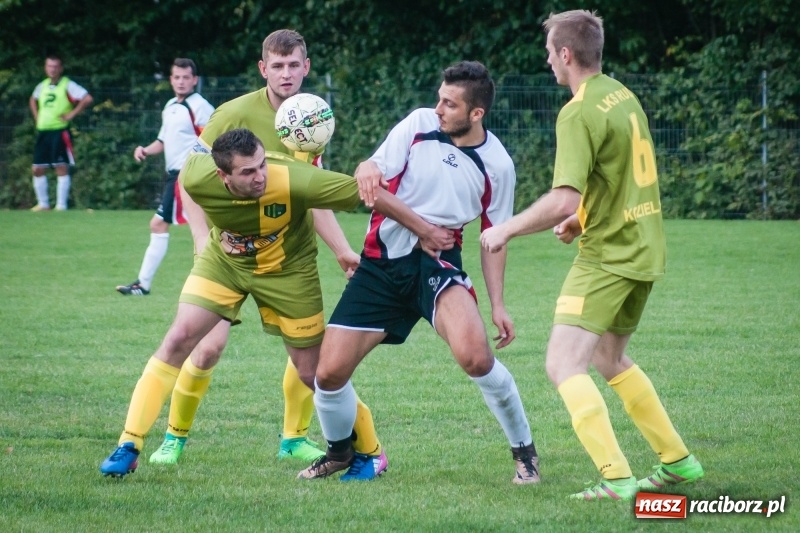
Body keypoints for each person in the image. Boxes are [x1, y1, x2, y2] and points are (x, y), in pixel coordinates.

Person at [99, 128, 452, 479]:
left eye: (261, 166)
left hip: (289, 273)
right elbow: (185, 185)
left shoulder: (295, 179)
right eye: (247, 172)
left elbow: (370, 194)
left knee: (314, 373)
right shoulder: (196, 174)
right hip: (225, 263)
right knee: (178, 339)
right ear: (222, 175)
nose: (260, 177)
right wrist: (198, 239)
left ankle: (371, 451)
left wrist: (423, 229)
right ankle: (129, 444)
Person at [480, 10, 704, 500]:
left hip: (608, 257)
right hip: (643, 246)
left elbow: (562, 195)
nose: (548, 62)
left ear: (565, 54)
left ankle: (618, 479)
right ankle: (679, 463)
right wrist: (582, 217)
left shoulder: (577, 110)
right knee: (610, 357)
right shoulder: (621, 95)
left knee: (563, 365)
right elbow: (620, 172)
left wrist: (506, 229)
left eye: (549, 54)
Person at [142, 30, 386, 475]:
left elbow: (306, 192)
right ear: (263, 69)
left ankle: (294, 439)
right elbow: (191, 179)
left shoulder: (310, 117)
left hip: (289, 260)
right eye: (278, 66)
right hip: (229, 256)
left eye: (295, 65)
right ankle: (173, 438)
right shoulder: (233, 114)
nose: (287, 73)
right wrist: (200, 240)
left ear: (307, 67)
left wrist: (342, 250)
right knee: (206, 346)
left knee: (306, 357)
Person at [298, 61, 541, 485]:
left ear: (476, 113)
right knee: (328, 374)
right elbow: (371, 186)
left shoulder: (498, 166)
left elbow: (494, 237)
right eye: (439, 99)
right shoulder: (417, 124)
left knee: (477, 357)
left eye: (450, 103)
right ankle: (339, 453)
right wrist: (371, 171)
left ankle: (525, 454)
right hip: (382, 263)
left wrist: (499, 304)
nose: (439, 109)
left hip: (439, 264)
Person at [116, 58, 215, 296]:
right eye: (177, 77)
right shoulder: (170, 105)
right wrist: (145, 150)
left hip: (188, 176)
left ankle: (146, 284)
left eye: (186, 77)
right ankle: (215, 286)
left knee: (162, 224)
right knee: (205, 228)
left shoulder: (200, 106)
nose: (181, 82)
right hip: (175, 176)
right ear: (171, 80)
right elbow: (163, 140)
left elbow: (215, 139)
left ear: (195, 80)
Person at [29, 53, 93, 211]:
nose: (52, 69)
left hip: (59, 131)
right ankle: (43, 204)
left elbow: (87, 98)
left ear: (61, 69)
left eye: (56, 66)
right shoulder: (42, 85)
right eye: (50, 66)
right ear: (45, 68)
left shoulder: (67, 85)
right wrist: (37, 117)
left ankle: (61, 206)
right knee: (37, 168)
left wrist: (72, 114)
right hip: (43, 132)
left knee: (61, 166)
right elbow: (32, 99)